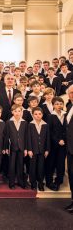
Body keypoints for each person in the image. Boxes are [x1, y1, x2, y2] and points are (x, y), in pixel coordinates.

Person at [4, 104, 28, 189]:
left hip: (21, 147)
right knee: (12, 165)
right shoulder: (9, 122)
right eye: (15, 111)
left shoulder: (24, 123)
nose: (17, 113)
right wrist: (6, 147)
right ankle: (12, 183)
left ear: (22, 112)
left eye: (19, 111)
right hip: (12, 148)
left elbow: (26, 137)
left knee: (20, 165)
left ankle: (21, 182)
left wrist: (26, 149)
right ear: (12, 112)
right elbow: (6, 136)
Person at [46, 97, 66, 191]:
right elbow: (49, 132)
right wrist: (58, 140)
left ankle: (58, 182)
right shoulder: (50, 116)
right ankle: (49, 182)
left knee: (61, 164)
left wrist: (64, 140)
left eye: (61, 103)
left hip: (64, 144)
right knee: (51, 163)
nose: (59, 105)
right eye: (57, 104)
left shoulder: (66, 115)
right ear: (53, 105)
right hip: (53, 144)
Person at [27, 107, 50, 191]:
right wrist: (29, 149)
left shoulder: (45, 125)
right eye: (36, 114)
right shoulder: (30, 124)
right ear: (32, 115)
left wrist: (47, 149)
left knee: (41, 167)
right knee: (32, 167)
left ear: (42, 115)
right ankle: (33, 183)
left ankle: (40, 183)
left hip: (42, 150)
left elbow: (47, 138)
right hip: (33, 150)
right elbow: (28, 138)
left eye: (39, 114)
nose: (38, 116)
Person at [65, 85, 73, 213]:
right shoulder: (69, 106)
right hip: (70, 148)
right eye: (71, 92)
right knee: (72, 175)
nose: (72, 94)